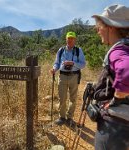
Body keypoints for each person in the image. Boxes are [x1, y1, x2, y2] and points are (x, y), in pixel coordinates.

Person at [92, 4, 129, 150]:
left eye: (99, 26)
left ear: (110, 27)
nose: (98, 31)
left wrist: (117, 99)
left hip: (115, 126)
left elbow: (126, 73)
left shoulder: (118, 50)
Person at [50, 31, 86, 126]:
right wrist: (54, 69)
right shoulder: (61, 50)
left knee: (73, 98)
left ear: (75, 40)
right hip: (62, 76)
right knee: (62, 98)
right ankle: (62, 117)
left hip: (74, 76)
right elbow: (57, 63)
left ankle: (70, 118)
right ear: (66, 39)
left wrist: (73, 63)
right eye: (68, 38)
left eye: (72, 39)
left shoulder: (79, 50)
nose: (70, 40)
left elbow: (83, 64)